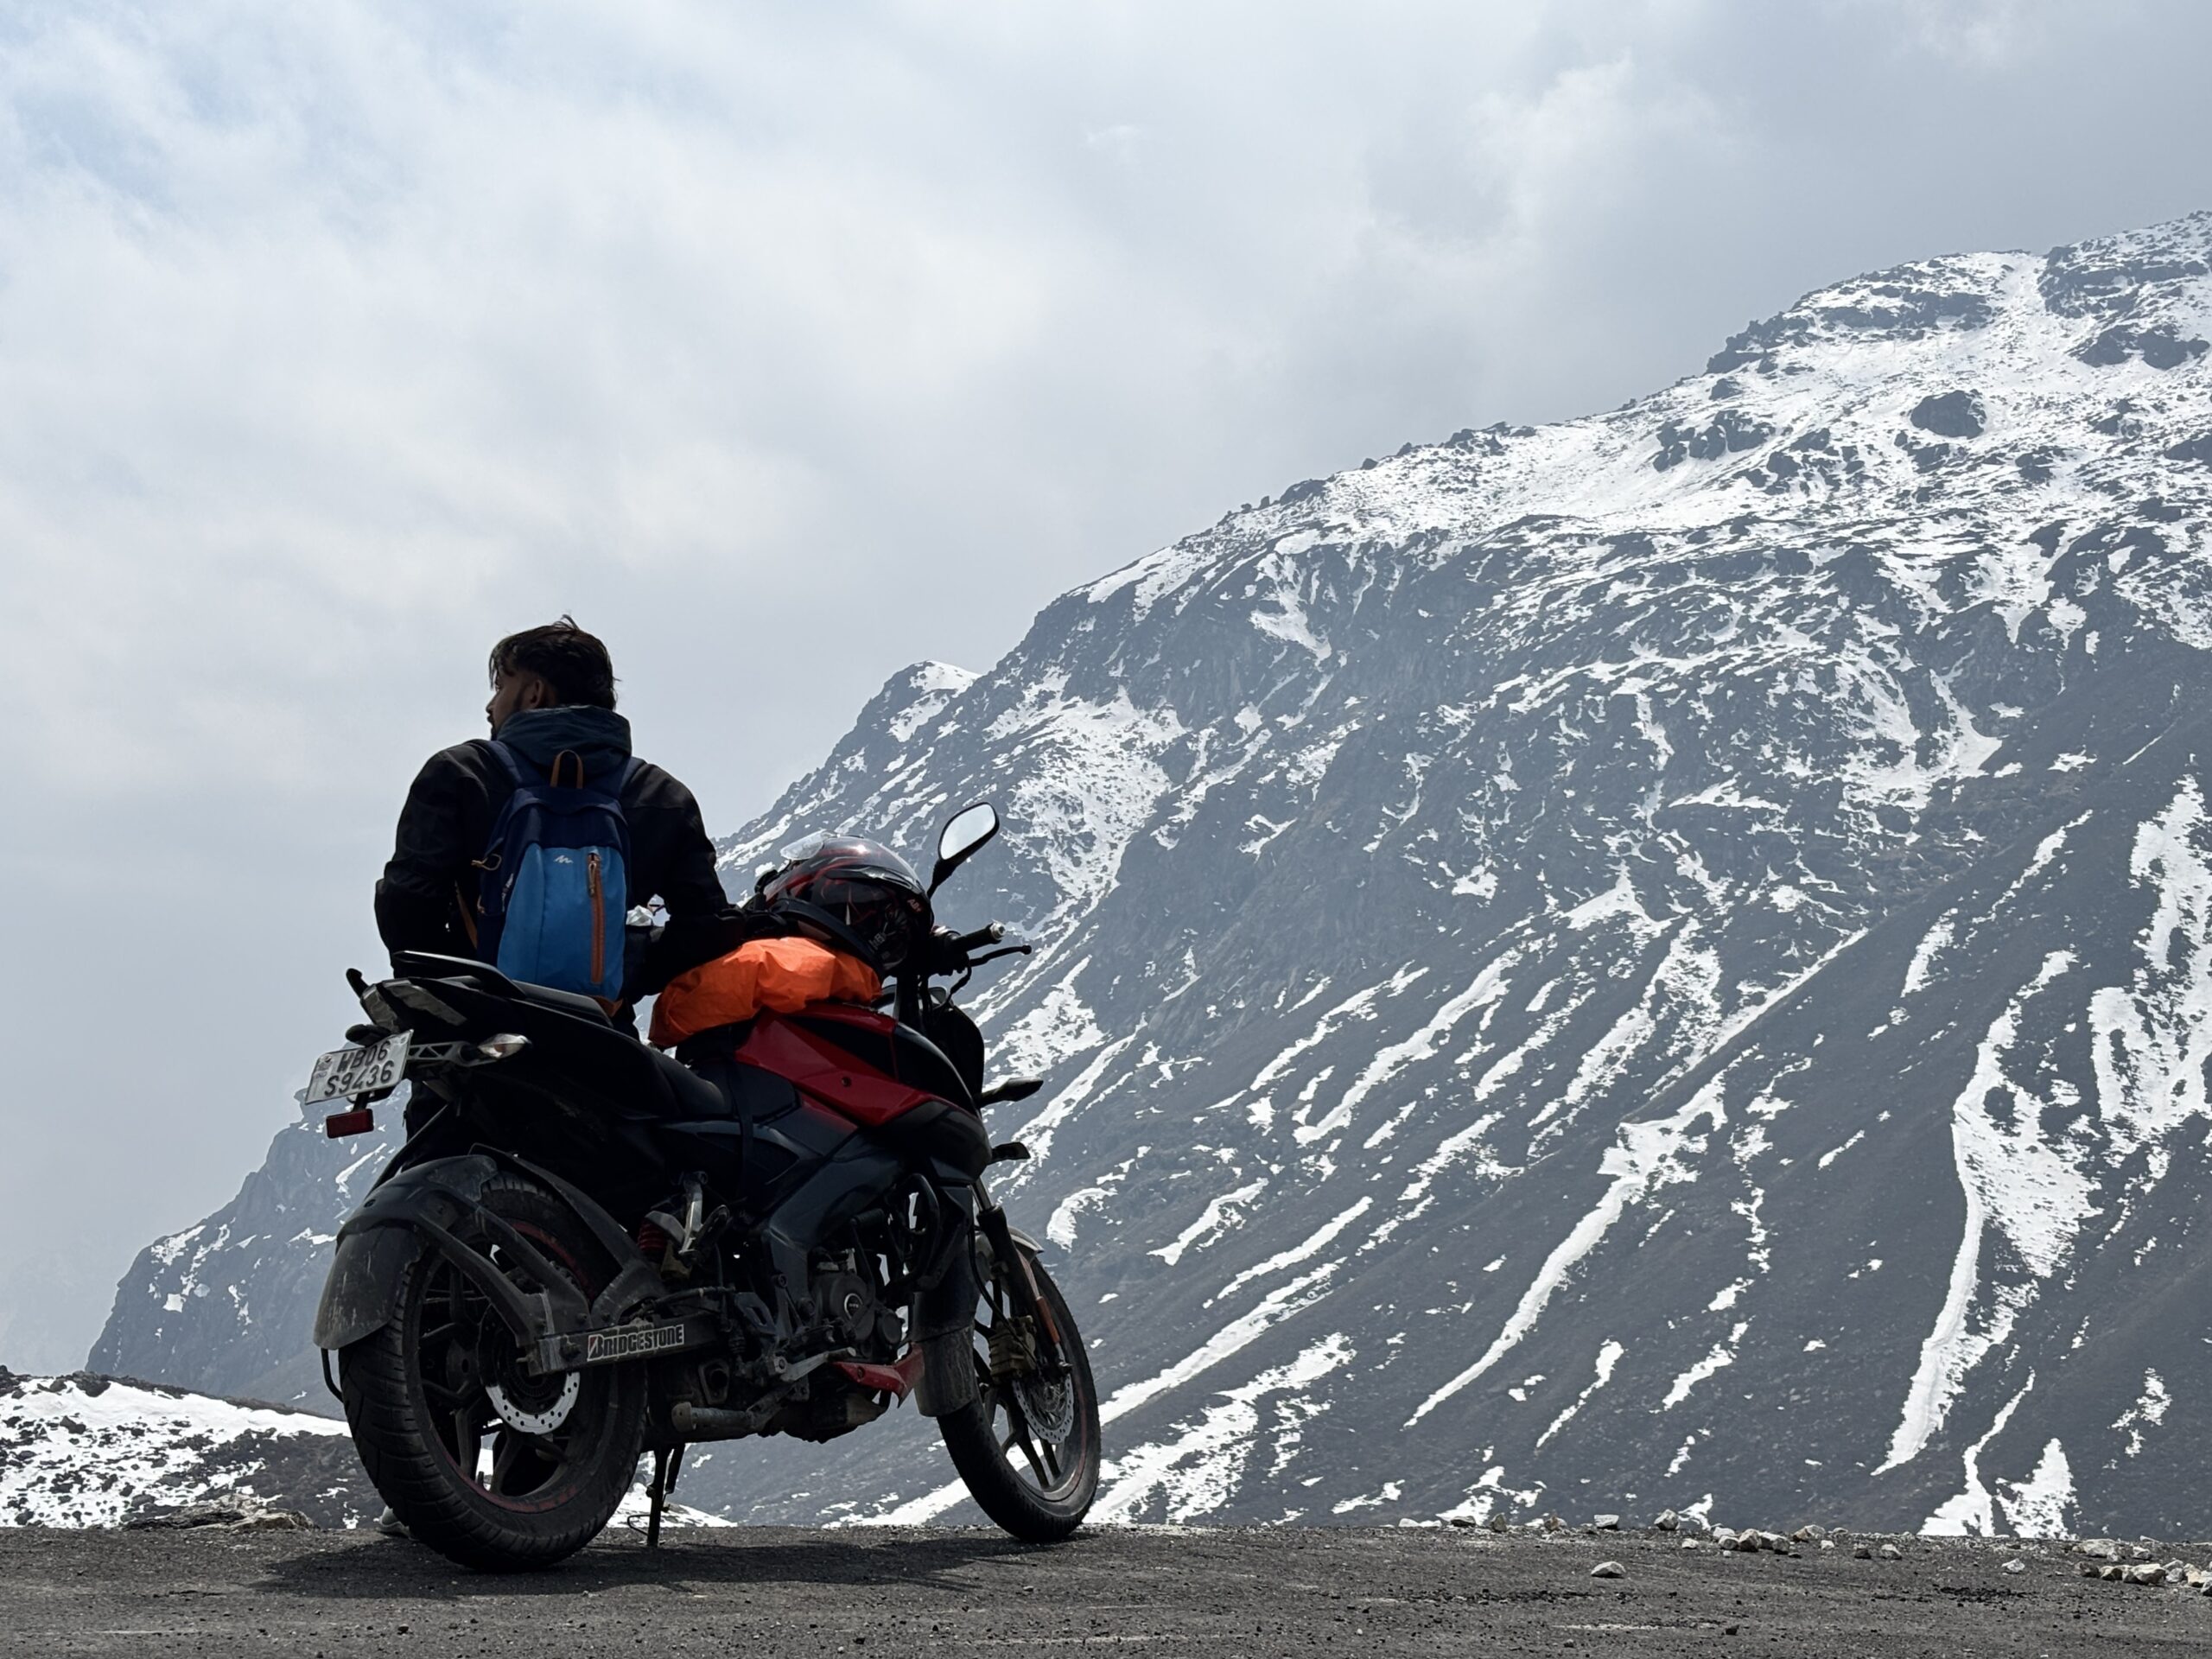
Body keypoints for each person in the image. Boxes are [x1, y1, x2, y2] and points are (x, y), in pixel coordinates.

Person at [374, 616, 727, 1006]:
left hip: (476, 1023)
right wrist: (622, 970)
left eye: (500, 686)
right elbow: (705, 927)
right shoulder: (661, 794)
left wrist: (456, 990)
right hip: (598, 1032)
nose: (490, 706)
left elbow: (407, 899)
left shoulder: (462, 773)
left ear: (534, 694)